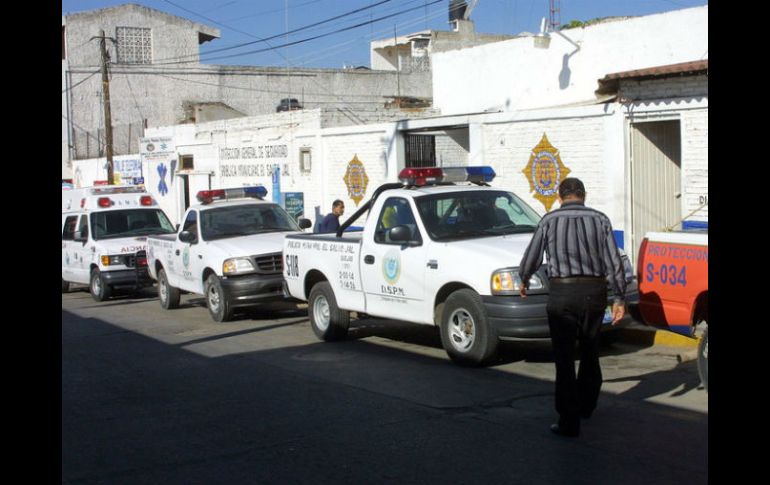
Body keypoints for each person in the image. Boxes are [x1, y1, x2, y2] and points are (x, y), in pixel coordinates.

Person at [517, 177, 626, 438]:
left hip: (562, 293)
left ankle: (569, 420)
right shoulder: (600, 220)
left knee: (564, 358)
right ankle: (586, 405)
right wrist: (620, 298)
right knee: (590, 349)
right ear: (584, 195)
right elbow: (614, 261)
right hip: (594, 292)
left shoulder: (548, 220)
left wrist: (523, 279)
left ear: (559, 196)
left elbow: (532, 255)